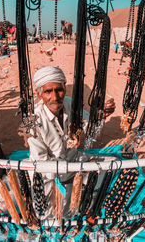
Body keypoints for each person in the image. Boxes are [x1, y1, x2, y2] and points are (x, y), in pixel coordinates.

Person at [27, 66, 115, 218]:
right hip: (52, 176)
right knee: (51, 214)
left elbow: (88, 127)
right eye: (48, 91)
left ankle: (84, 192)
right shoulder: (34, 121)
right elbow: (42, 165)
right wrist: (80, 169)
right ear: (39, 94)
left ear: (64, 90)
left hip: (75, 160)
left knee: (112, 165)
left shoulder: (69, 104)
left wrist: (101, 116)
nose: (55, 97)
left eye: (59, 90)